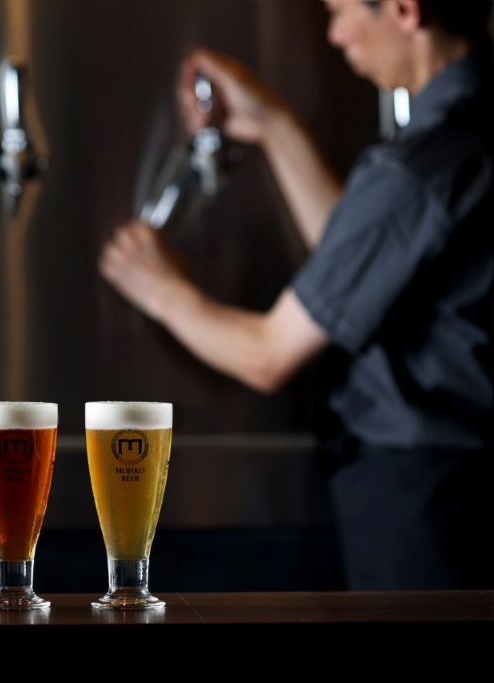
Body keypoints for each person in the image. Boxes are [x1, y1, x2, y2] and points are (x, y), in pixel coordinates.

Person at [99, 0, 493, 590]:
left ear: (404, 10)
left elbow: (269, 355)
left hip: (426, 502)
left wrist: (160, 289)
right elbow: (358, 263)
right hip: (459, 488)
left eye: (339, 11)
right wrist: (272, 125)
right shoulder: (470, 134)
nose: (335, 35)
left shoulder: (422, 163)